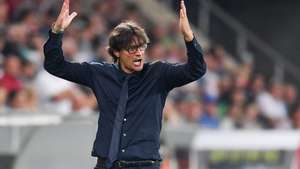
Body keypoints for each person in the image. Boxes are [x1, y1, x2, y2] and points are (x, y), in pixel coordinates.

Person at [43, 0, 206, 168]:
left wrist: (189, 38)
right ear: (116, 52)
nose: (139, 54)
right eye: (131, 49)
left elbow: (196, 70)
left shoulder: (158, 74)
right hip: (106, 164)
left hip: (143, 165)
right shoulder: (100, 73)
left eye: (142, 48)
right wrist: (57, 31)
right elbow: (55, 66)